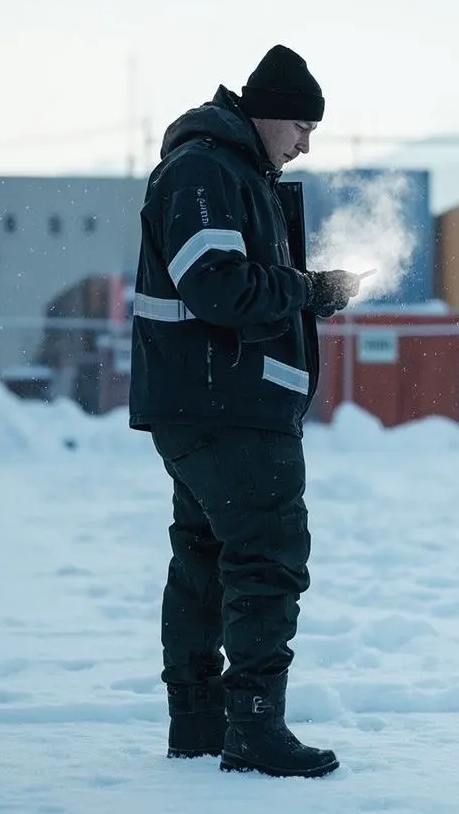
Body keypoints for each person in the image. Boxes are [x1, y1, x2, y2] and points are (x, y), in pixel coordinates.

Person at [128, 44, 361, 778]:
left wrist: (304, 286)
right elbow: (219, 288)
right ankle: (255, 729)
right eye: (301, 126)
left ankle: (197, 725)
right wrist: (310, 289)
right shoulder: (206, 171)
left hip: (212, 401)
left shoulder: (232, 172)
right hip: (226, 404)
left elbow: (228, 282)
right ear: (265, 113)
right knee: (266, 558)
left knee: (203, 560)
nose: (305, 143)